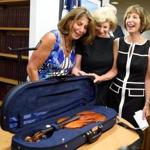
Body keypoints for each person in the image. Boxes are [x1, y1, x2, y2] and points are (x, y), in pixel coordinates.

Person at [89, 4, 150, 127]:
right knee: (112, 131)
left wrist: (147, 103)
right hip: (114, 97)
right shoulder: (118, 42)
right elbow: (114, 70)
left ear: (142, 23)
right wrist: (99, 78)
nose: (130, 20)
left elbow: (148, 78)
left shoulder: (148, 47)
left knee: (136, 134)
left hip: (136, 100)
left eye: (135, 17)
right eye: (128, 17)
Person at [27, 7, 95, 81]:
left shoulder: (76, 42)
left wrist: (83, 74)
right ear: (69, 21)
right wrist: (39, 90)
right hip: (38, 88)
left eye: (85, 27)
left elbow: (72, 70)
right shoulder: (52, 38)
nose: (82, 30)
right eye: (79, 24)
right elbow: (32, 68)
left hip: (59, 89)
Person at [72, 8, 118, 105]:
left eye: (105, 27)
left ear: (111, 27)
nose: (101, 30)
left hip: (105, 91)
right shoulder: (84, 40)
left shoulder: (114, 43)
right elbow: (76, 67)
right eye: (98, 26)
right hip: (84, 87)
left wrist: (100, 78)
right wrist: (82, 75)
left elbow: (114, 70)